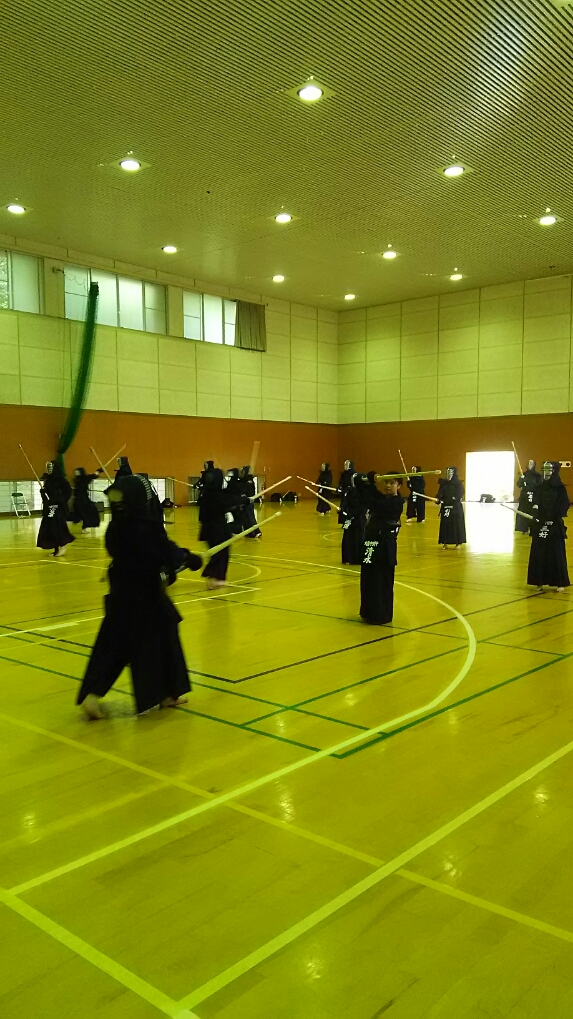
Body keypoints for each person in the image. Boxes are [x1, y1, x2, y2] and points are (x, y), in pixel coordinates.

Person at [76, 474, 202, 719]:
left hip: (121, 593)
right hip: (147, 597)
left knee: (115, 646)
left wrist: (171, 564)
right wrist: (188, 558)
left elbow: (147, 556)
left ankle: (92, 696)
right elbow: (164, 552)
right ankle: (168, 694)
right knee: (164, 638)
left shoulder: (116, 527)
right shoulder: (145, 528)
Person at [355, 471, 404, 624]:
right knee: (368, 578)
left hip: (384, 546)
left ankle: (381, 614)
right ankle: (369, 612)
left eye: (392, 483)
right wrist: (367, 481)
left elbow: (373, 504)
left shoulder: (397, 502)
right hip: (371, 543)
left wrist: (363, 486)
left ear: (399, 485)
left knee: (381, 580)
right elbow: (372, 494)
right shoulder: (384, 498)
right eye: (386, 482)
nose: (388, 486)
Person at [198, 463, 247, 588]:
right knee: (221, 552)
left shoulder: (207, 493)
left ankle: (214, 577)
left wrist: (242, 500)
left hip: (209, 528)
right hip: (216, 529)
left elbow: (226, 501)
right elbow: (228, 500)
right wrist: (244, 500)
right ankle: (215, 578)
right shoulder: (215, 495)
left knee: (218, 552)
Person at [527, 461, 570, 592]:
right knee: (539, 552)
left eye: (549, 470)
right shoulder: (539, 487)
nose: (546, 473)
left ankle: (560, 582)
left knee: (556, 553)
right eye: (544, 470)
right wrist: (535, 512)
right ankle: (539, 581)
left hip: (554, 525)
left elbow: (564, 505)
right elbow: (535, 502)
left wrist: (553, 516)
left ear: (554, 471)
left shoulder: (560, 489)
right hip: (540, 524)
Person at [37, 460, 75, 557]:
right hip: (50, 507)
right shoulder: (48, 480)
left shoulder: (61, 480)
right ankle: (56, 548)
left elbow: (67, 493)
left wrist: (59, 500)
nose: (49, 470)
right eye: (48, 468)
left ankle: (63, 545)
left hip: (59, 507)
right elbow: (47, 496)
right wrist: (43, 493)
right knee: (48, 527)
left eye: (51, 467)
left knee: (57, 526)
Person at [338, 473, 366, 565]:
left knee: (358, 537)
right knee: (347, 537)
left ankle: (357, 558)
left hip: (359, 519)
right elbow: (344, 503)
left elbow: (363, 507)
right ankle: (347, 558)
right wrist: (342, 511)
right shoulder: (349, 491)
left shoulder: (363, 493)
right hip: (349, 518)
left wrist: (353, 514)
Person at [436, 467, 466, 548]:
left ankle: (458, 543)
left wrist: (454, 498)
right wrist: (438, 499)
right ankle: (445, 543)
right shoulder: (444, 484)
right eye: (447, 472)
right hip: (445, 507)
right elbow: (440, 494)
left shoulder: (458, 484)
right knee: (445, 525)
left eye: (450, 472)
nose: (448, 475)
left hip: (455, 508)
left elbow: (460, 493)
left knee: (456, 525)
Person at [71, 467, 104, 531]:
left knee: (87, 512)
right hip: (79, 499)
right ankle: (80, 523)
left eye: (77, 472)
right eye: (75, 472)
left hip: (83, 498)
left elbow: (93, 476)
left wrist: (99, 471)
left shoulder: (85, 478)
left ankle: (84, 527)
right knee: (82, 513)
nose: (76, 473)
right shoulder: (77, 479)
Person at [515, 459, 542, 534]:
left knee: (533, 512)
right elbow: (519, 485)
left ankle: (533, 529)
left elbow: (539, 485)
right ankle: (524, 528)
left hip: (534, 496)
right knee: (523, 512)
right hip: (524, 497)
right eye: (529, 463)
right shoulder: (523, 474)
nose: (530, 465)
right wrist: (521, 479)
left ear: (534, 465)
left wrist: (530, 485)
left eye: (532, 463)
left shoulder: (537, 475)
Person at [240, 465, 262, 538]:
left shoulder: (249, 481)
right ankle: (249, 533)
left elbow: (249, 492)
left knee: (250, 517)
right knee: (245, 518)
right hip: (244, 501)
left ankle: (257, 531)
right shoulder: (244, 480)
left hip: (249, 501)